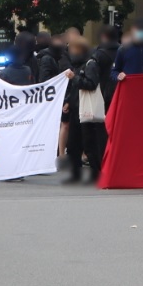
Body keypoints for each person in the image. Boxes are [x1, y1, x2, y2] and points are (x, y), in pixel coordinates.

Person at [62, 37, 104, 184]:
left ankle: (96, 173)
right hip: (76, 109)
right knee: (73, 144)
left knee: (89, 144)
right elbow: (74, 88)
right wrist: (68, 101)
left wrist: (75, 79)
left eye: (72, 49)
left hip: (86, 111)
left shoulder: (90, 64)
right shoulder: (77, 65)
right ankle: (76, 173)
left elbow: (91, 84)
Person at [93, 27, 121, 106]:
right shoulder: (124, 51)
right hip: (120, 91)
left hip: (101, 92)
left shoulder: (97, 53)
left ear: (103, 36)